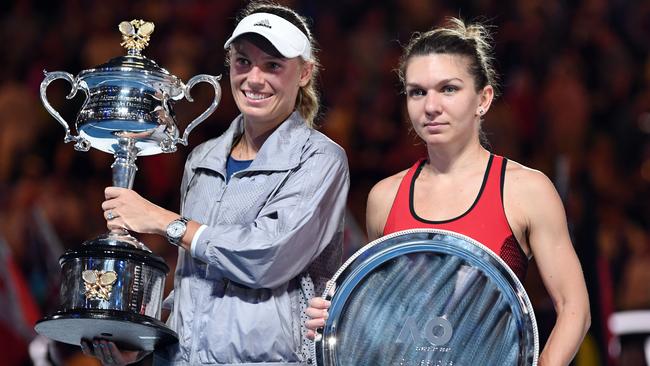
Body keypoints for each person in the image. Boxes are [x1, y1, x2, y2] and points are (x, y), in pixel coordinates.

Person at [305, 17, 590, 366]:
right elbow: (388, 317)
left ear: (483, 99)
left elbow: (575, 309)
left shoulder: (526, 190)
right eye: (417, 92)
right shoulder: (384, 197)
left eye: (449, 89)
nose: (431, 106)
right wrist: (341, 314)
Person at [81, 2, 350, 365]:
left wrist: (167, 222)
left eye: (273, 65)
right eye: (243, 61)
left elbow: (267, 256)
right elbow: (192, 284)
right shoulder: (202, 158)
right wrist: (145, 338)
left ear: (304, 73)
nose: (254, 79)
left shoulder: (320, 159)